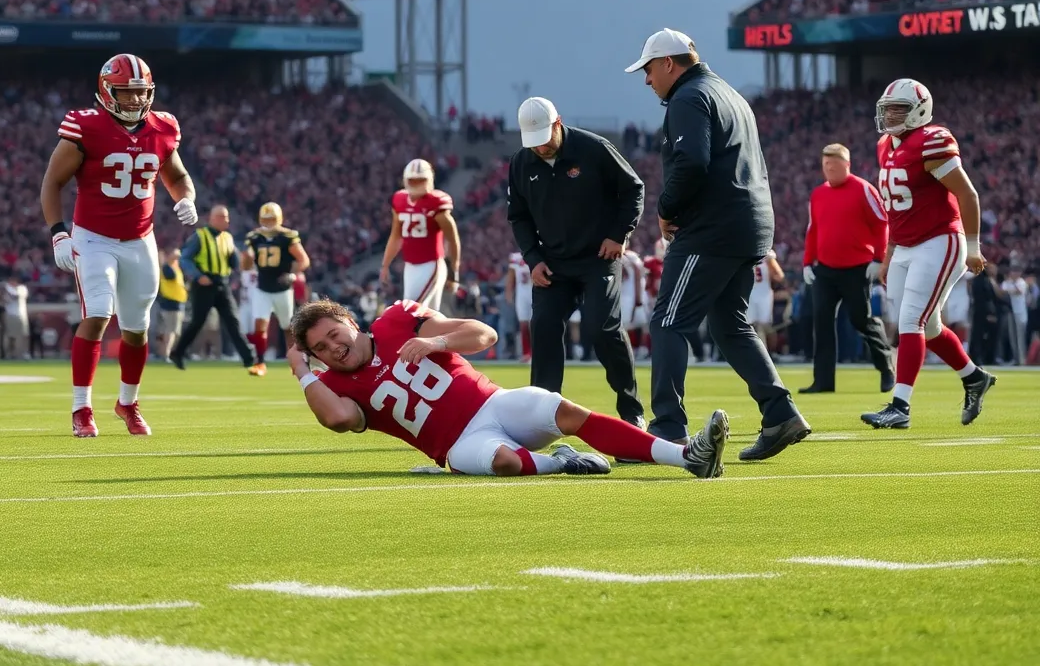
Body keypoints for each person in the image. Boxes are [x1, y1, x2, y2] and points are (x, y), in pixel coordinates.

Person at [287, 298, 727, 479]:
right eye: (320, 349)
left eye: (333, 335)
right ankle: (560, 464)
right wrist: (302, 372)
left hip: (494, 403)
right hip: (460, 444)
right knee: (503, 461)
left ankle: (687, 457)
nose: (333, 349)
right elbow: (340, 419)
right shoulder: (329, 384)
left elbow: (484, 335)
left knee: (562, 410)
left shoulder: (398, 319)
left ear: (350, 321)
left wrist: (435, 341)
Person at [626, 28, 809, 460]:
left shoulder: (689, 98)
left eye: (649, 69)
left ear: (669, 63)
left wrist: (666, 208)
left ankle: (668, 428)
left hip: (711, 228)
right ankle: (780, 412)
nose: (647, 80)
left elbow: (691, 161)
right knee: (730, 326)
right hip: (749, 225)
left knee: (668, 321)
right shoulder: (730, 94)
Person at [41, 53, 199, 438]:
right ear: (107, 91)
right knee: (96, 314)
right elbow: (51, 183)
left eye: (140, 93)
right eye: (126, 93)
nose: (134, 101)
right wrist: (59, 233)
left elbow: (177, 175)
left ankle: (128, 402)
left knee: (136, 328)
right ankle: (81, 408)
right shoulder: (85, 126)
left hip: (141, 239)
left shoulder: (163, 126)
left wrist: (186, 198)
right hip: (93, 237)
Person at [859, 78, 996, 429]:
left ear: (919, 111)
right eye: (887, 108)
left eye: (899, 109)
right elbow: (895, 210)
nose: (890, 115)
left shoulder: (932, 142)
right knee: (929, 326)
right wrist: (889, 254)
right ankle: (974, 377)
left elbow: (968, 195)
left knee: (910, 321)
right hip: (904, 244)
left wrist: (973, 247)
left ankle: (900, 407)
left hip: (939, 240)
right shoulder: (884, 145)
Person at [507, 96, 646, 428]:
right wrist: (533, 258)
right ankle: (540, 416)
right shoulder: (521, 162)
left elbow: (633, 190)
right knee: (543, 327)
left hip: (599, 256)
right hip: (553, 263)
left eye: (543, 140)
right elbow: (519, 217)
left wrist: (619, 234)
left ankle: (632, 410)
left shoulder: (594, 148)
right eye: (533, 143)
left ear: (558, 124)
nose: (539, 149)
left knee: (602, 329)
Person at [800, 143, 895, 393]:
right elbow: (813, 230)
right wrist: (807, 262)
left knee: (860, 319)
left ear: (847, 165)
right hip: (826, 270)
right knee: (821, 322)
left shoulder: (864, 189)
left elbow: (881, 223)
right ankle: (823, 381)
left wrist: (878, 259)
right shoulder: (818, 194)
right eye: (825, 165)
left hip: (857, 268)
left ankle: (886, 368)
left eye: (834, 164)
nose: (829, 169)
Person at [169, 205, 258, 372]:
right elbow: (185, 259)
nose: (227, 221)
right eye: (223, 217)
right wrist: (197, 276)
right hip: (204, 284)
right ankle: (178, 352)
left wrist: (244, 257)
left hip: (221, 284)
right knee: (197, 321)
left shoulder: (228, 238)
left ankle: (248, 357)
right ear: (213, 219)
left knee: (232, 320)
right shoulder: (200, 236)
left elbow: (234, 263)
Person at [379, 159, 461, 310]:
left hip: (430, 264)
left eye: (421, 180)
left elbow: (452, 237)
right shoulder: (399, 200)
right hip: (410, 266)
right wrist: (385, 265)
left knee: (412, 311)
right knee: (428, 315)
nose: (417, 184)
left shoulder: (435, 203)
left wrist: (453, 271)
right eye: (413, 180)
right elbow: (396, 236)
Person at [241, 202, 310, 374]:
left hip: (283, 288)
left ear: (278, 219)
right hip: (262, 287)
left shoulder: (287, 236)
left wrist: (292, 274)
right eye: (266, 219)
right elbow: (245, 266)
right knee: (260, 324)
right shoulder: (254, 237)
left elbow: (303, 260)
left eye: (271, 219)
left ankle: (296, 362)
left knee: (288, 326)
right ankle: (260, 363)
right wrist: (247, 258)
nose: (269, 222)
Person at [155, 247, 186, 361]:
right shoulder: (167, 268)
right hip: (171, 303)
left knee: (171, 330)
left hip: (177, 302)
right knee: (171, 330)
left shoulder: (175, 267)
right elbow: (170, 276)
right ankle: (166, 354)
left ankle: (163, 353)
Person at [750, 251, 784, 348]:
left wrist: (770, 268)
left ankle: (770, 351)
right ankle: (756, 351)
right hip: (750, 294)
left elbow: (779, 276)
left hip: (763, 294)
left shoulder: (767, 255)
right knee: (751, 325)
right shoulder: (745, 251)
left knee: (765, 326)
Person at [504, 251, 533, 360]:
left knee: (535, 325)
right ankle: (526, 353)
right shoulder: (515, 257)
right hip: (522, 294)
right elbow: (511, 277)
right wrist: (508, 293)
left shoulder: (539, 253)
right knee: (523, 324)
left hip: (536, 292)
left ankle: (537, 352)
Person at [2, 275, 29, 359]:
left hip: (21, 315)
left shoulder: (22, 288)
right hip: (11, 315)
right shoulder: (7, 292)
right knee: (11, 337)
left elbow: (15, 296)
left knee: (24, 335)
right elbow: (4, 300)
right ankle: (11, 354)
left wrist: (7, 287)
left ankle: (25, 353)